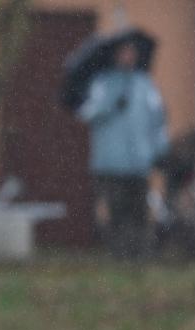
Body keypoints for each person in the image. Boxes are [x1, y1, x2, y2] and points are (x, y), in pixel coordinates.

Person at [78, 39, 169, 258]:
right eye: (124, 53)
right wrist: (110, 104)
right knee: (116, 212)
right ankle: (119, 254)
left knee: (139, 212)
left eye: (132, 53)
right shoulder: (103, 84)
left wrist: (160, 149)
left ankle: (140, 255)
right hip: (111, 162)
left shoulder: (145, 85)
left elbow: (157, 120)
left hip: (139, 163)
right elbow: (88, 113)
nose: (128, 57)